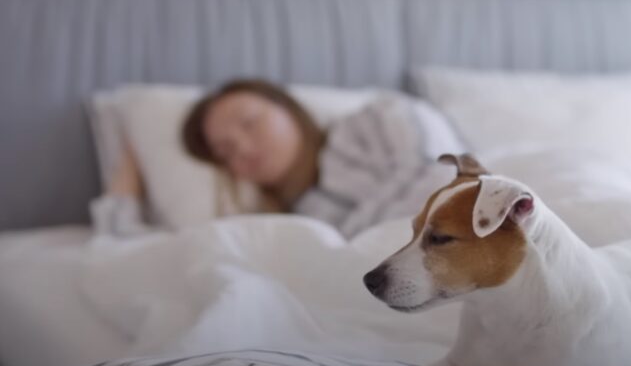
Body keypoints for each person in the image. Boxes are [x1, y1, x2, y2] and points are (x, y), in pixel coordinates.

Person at [92, 79, 464, 238]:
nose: (241, 145)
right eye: (224, 151)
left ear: (287, 108)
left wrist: (348, 244)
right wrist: (127, 179)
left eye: (250, 123)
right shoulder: (294, 224)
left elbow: (444, 178)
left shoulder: (379, 118)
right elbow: (155, 261)